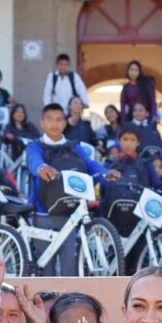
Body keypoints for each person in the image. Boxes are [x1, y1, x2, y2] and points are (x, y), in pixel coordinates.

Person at [26, 104, 122, 275]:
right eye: (49, 119)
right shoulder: (35, 145)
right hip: (43, 213)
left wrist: (106, 174)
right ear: (42, 123)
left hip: (69, 213)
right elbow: (34, 160)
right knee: (45, 269)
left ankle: (67, 301)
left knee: (69, 267)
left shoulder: (74, 146)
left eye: (59, 120)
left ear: (65, 123)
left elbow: (91, 164)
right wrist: (41, 167)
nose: (54, 124)